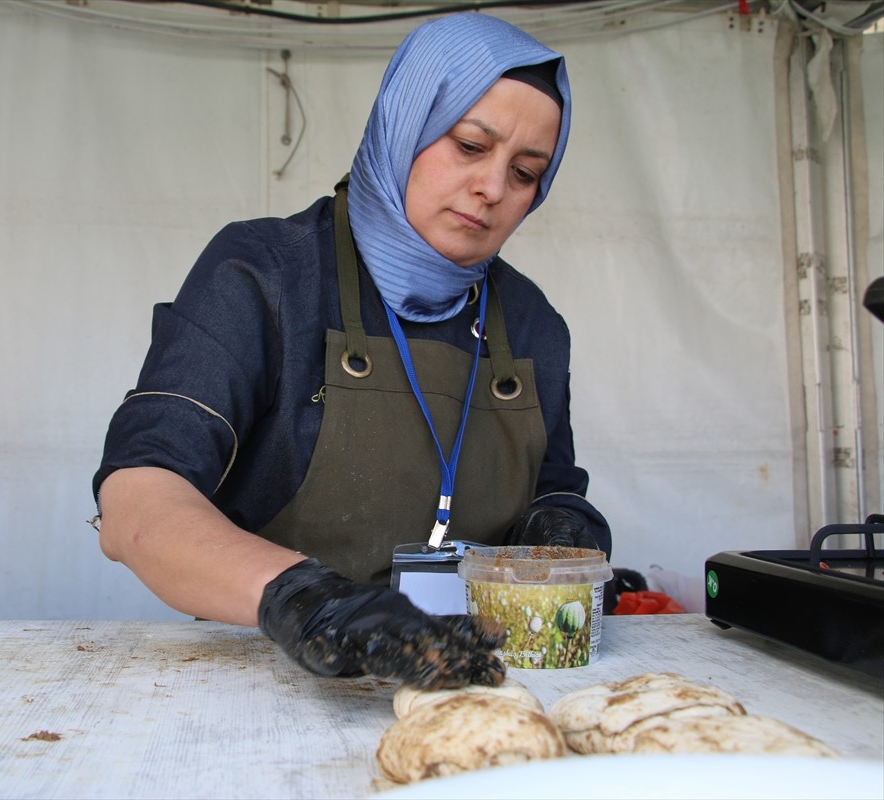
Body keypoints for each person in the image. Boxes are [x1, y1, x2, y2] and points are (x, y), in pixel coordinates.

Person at [93, 13, 611, 689]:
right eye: (468, 145)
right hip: (268, 684)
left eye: (525, 172)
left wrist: (564, 523)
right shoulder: (264, 277)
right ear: (407, 124)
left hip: (471, 681)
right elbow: (137, 500)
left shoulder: (533, 321)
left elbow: (553, 484)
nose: (492, 188)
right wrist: (303, 601)